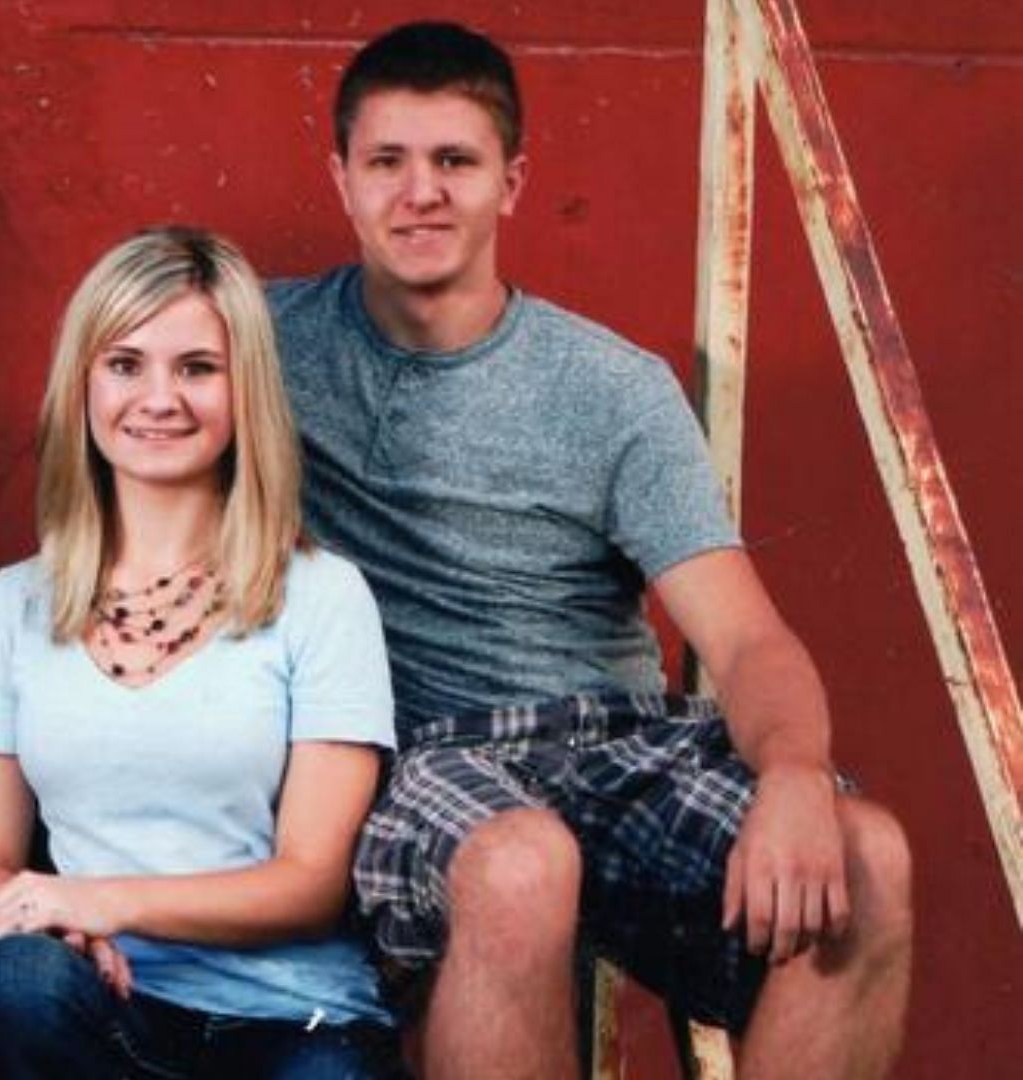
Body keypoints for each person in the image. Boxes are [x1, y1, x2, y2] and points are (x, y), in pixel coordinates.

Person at [267, 21, 914, 1079]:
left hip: (617, 741)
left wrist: (796, 773)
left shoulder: (611, 388)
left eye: (455, 162)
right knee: (523, 865)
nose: (419, 192)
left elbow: (746, 638)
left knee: (870, 858)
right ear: (340, 177)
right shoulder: (262, 345)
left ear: (511, 184)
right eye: (387, 161)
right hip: (431, 755)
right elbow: (121, 381)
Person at [0, 226, 399, 1080]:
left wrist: (98, 901)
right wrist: (52, 925)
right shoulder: (10, 608)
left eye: (197, 368)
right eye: (125, 365)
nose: (159, 398)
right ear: (82, 382)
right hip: (102, 1009)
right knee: (14, 980)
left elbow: (310, 885)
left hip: (290, 1025)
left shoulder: (323, 597)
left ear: (245, 391)